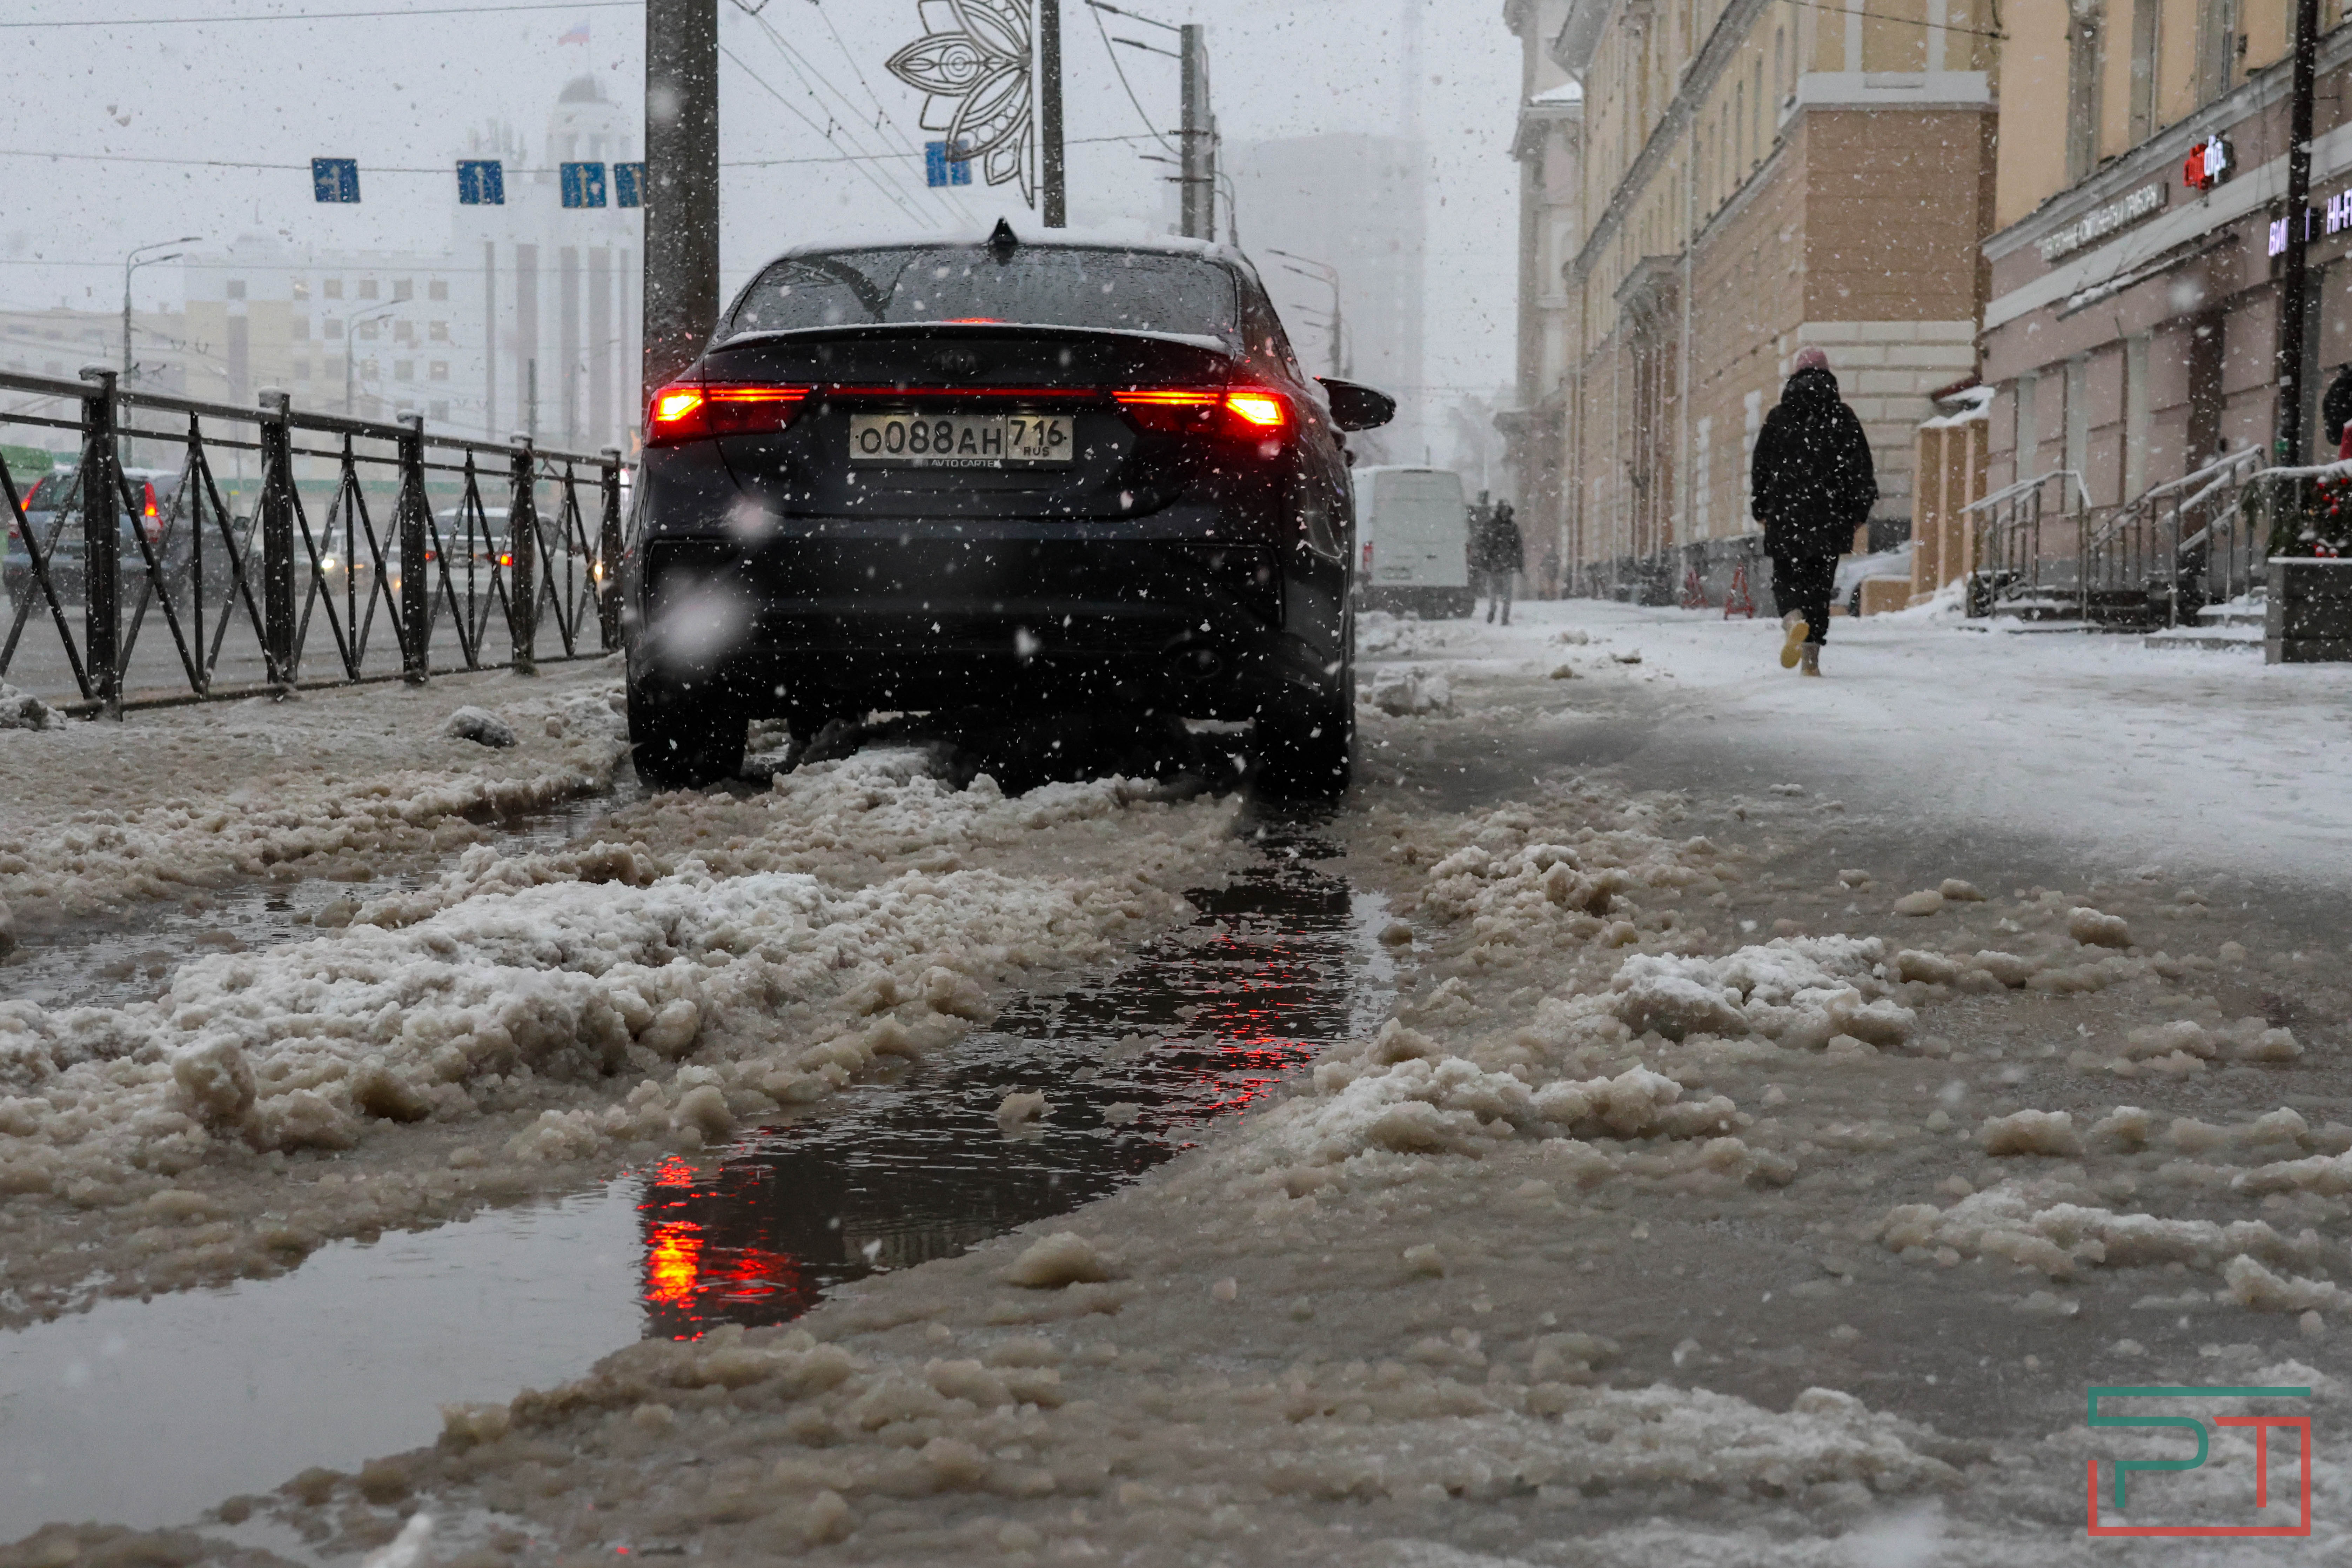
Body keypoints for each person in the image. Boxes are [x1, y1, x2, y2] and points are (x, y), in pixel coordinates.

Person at [1750, 347, 1877, 676]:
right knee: (1819, 589)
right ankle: (1811, 662)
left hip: (1785, 514)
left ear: (1794, 376)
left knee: (1786, 579)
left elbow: (1761, 467)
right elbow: (1860, 468)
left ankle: (1793, 618)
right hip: (1829, 517)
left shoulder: (1778, 417)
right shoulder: (1843, 417)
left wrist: (1761, 505)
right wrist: (1857, 511)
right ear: (1828, 375)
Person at [1474, 498, 1524, 624]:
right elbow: (1482, 543)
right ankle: (1492, 609)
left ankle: (1504, 617)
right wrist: (1485, 557)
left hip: (1506, 564)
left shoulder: (1512, 528)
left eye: (1507, 511)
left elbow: (1518, 546)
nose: (1505, 514)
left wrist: (1519, 563)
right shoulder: (1490, 526)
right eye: (1503, 510)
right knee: (1493, 591)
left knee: (1506, 592)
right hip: (1494, 564)